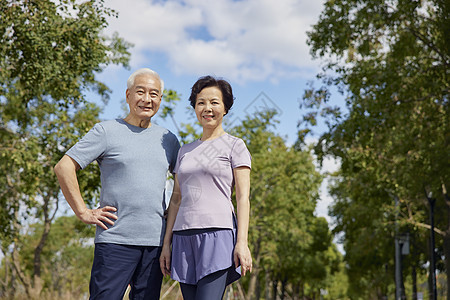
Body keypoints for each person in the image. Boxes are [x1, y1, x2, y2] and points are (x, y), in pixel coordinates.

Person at [54, 68, 180, 299]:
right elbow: (64, 167)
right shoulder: (106, 131)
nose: (147, 99)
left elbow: (183, 186)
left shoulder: (169, 140)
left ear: (160, 99)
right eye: (140, 92)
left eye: (154, 94)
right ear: (128, 95)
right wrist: (83, 211)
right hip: (115, 241)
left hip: (154, 245)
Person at [159, 75, 252, 300]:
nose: (207, 108)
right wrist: (166, 244)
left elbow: (242, 197)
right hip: (183, 238)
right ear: (195, 107)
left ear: (226, 108)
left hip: (218, 235)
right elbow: (176, 199)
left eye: (214, 102)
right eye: (201, 102)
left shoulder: (235, 145)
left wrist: (242, 242)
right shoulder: (185, 151)